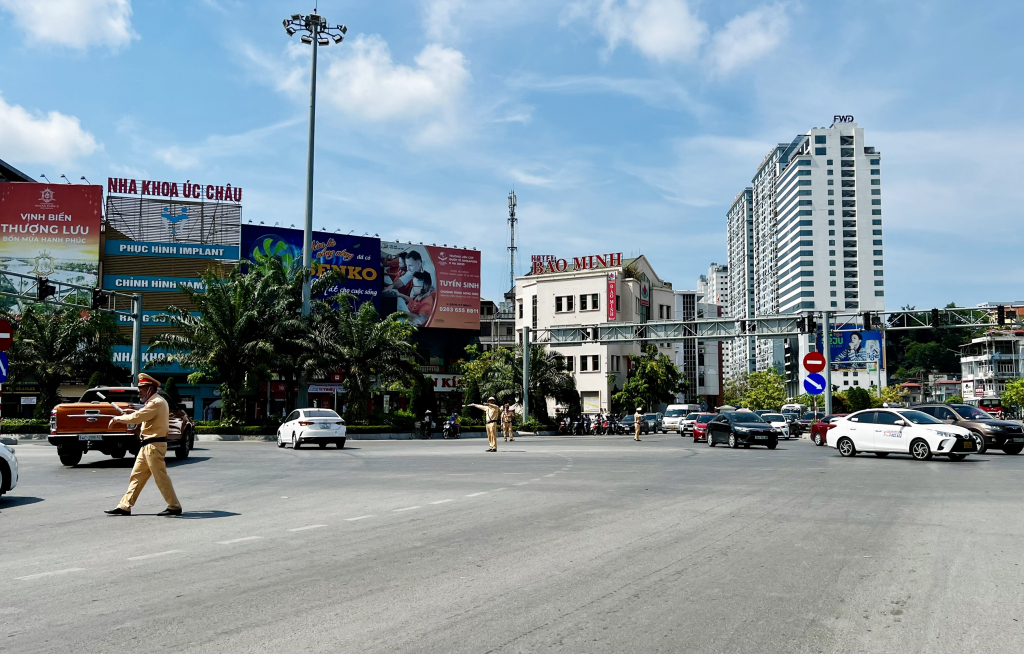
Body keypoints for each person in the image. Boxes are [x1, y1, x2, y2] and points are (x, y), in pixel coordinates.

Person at [104, 374, 182, 517]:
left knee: (160, 477)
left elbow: (138, 418)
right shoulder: (154, 402)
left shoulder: (156, 402)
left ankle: (174, 506)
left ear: (150, 389)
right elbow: (143, 415)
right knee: (136, 476)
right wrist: (133, 412)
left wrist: (118, 418)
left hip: (153, 446)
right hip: (148, 445)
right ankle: (125, 506)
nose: (139, 391)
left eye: (141, 388)